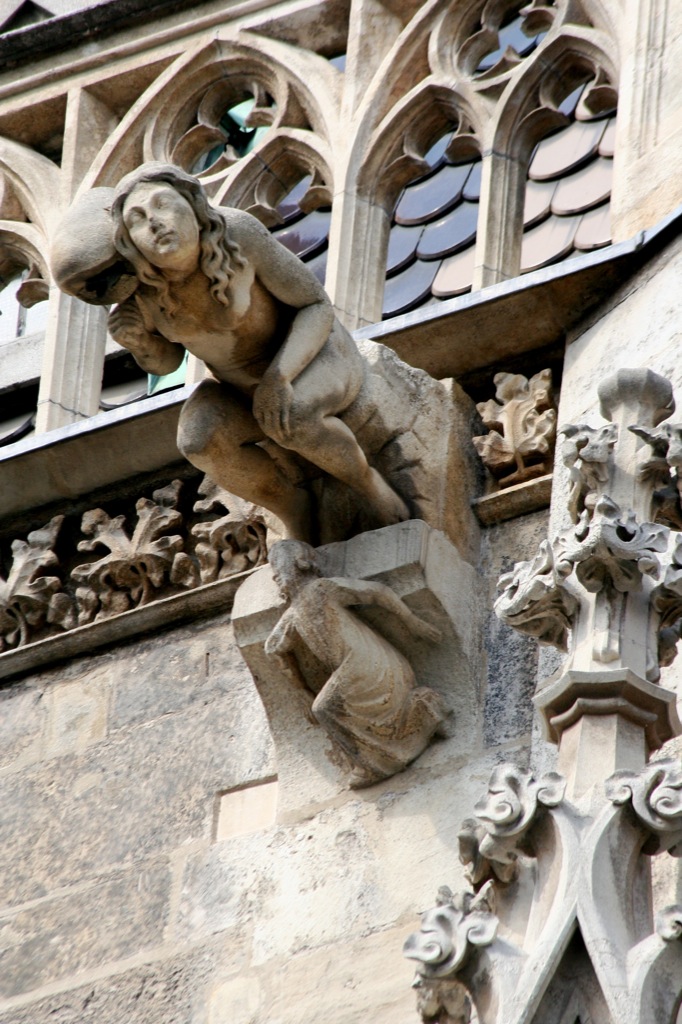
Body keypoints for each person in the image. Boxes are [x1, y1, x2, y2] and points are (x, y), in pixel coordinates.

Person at [107, 162, 409, 541]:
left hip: (313, 357)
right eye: (137, 219)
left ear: (193, 207)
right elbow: (168, 362)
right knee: (197, 440)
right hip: (238, 388)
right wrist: (139, 344)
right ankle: (292, 507)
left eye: (163, 205)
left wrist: (280, 377)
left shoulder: (238, 235)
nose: (154, 223)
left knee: (292, 413)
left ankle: (367, 484)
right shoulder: (143, 290)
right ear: (129, 241)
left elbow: (315, 306)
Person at [264, 540, 446, 787]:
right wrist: (302, 690)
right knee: (328, 708)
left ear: (301, 562)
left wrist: (412, 621)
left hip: (369, 663)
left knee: (323, 708)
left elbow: (376, 591)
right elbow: (273, 649)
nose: (274, 574)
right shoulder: (293, 615)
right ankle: (424, 715)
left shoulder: (320, 589)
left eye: (278, 564)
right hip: (354, 668)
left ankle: (373, 764)